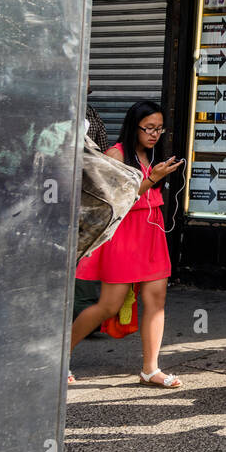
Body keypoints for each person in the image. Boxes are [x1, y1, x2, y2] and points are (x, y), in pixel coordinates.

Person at [72, 100, 185, 386]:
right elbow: (114, 200)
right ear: (133, 126)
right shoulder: (116, 154)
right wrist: (153, 178)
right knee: (109, 305)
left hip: (152, 227)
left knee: (156, 300)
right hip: (124, 232)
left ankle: (150, 368)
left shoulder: (154, 154)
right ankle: (60, 357)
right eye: (148, 128)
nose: (154, 134)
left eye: (159, 128)